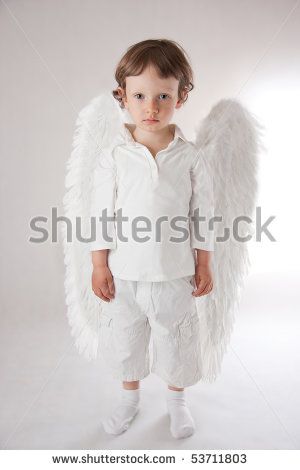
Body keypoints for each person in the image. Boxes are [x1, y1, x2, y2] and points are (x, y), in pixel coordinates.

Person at [88, 39, 214, 439]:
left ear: (182, 96)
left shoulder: (190, 157)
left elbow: (204, 214)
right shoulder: (115, 156)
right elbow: (99, 212)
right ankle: (129, 400)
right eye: (140, 95)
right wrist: (99, 262)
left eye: (164, 95)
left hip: (175, 272)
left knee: (177, 338)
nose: (152, 107)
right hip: (125, 274)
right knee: (126, 338)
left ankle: (176, 403)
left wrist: (205, 261)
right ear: (122, 96)